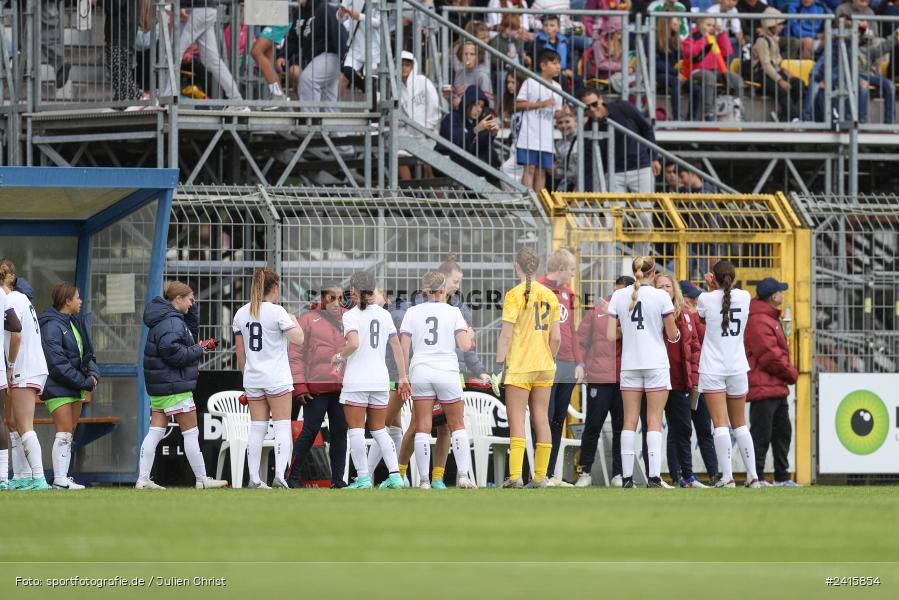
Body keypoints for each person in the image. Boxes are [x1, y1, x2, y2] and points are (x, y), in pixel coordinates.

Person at [138, 281, 225, 490]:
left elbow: (186, 336)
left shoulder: (167, 318)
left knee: (155, 432)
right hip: (174, 386)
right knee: (191, 433)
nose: (192, 303)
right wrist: (200, 349)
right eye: (189, 299)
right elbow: (174, 353)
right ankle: (202, 479)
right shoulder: (172, 322)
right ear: (177, 299)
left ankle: (143, 479)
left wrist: (192, 314)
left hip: (161, 386)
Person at [606, 257, 681, 488]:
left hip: (630, 363)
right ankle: (654, 477)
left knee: (629, 421)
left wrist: (628, 330)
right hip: (656, 363)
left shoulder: (618, 296)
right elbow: (672, 334)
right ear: (654, 271)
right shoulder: (661, 296)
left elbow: (610, 335)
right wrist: (674, 335)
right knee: (654, 420)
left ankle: (627, 478)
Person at [400, 272, 477, 490]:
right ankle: (462, 476)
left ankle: (424, 481)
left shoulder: (412, 312)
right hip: (447, 371)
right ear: (443, 290)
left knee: (422, 426)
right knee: (456, 424)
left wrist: (404, 375)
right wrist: (470, 334)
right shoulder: (453, 312)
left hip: (421, 370)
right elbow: (464, 345)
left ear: (425, 290)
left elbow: (404, 348)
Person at [493, 247, 561, 488]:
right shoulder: (550, 295)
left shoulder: (514, 294)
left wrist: (499, 365)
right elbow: (556, 339)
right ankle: (541, 476)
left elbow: (506, 336)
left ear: (516, 265)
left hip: (520, 366)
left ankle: (515, 476)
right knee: (542, 419)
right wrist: (549, 359)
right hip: (544, 366)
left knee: (517, 421)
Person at [337, 271, 410, 490]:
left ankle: (363, 478)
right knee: (379, 430)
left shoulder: (350, 315)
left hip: (357, 380)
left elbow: (353, 344)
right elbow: (397, 347)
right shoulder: (383, 314)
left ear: (353, 292)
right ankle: (396, 476)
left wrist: (339, 356)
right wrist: (403, 376)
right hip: (380, 380)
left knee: (357, 430)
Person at [233, 270, 304, 489]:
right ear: (275, 288)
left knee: (257, 428)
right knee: (282, 426)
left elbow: (240, 354)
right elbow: (299, 339)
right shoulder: (278, 312)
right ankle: (280, 476)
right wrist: (293, 320)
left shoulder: (241, 313)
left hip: (253, 379)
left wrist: (247, 378)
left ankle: (254, 478)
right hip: (276, 378)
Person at [696, 260, 763, 488]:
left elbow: (703, 318)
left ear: (713, 278)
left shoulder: (706, 298)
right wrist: (717, 286)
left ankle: (727, 477)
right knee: (740, 424)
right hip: (737, 367)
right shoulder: (744, 297)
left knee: (720, 424)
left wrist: (711, 288)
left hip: (713, 367)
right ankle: (753, 476)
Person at [286, 282, 349, 489]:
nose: (336, 302)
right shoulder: (306, 320)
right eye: (331, 298)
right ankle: (292, 477)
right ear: (322, 299)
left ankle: (338, 480)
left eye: (340, 298)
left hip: (342, 388)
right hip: (316, 388)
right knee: (310, 431)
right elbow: (295, 356)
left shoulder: (350, 318)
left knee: (340, 432)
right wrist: (300, 387)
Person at [38, 283, 100, 490]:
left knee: (68, 434)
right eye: (77, 297)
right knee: (64, 433)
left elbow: (86, 354)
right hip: (59, 387)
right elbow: (56, 364)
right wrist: (84, 381)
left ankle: (62, 478)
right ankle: (60, 479)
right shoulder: (51, 325)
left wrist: (93, 374)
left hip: (75, 387)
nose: (80, 301)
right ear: (67, 301)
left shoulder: (73, 322)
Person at [575, 275, 632, 487]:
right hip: (599, 379)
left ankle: (619, 474)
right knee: (592, 427)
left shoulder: (633, 311)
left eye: (621, 291)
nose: (616, 294)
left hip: (625, 378)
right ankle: (585, 472)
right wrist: (580, 364)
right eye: (615, 290)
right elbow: (580, 340)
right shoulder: (597, 311)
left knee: (621, 428)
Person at [745, 277, 800, 486]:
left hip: (774, 388)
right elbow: (769, 355)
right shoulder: (760, 319)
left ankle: (781, 476)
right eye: (780, 291)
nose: (783, 294)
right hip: (763, 387)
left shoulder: (767, 317)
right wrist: (791, 374)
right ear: (773, 296)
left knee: (782, 433)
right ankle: (757, 476)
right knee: (762, 435)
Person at [654, 274, 707, 488]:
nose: (665, 289)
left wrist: (693, 378)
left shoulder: (685, 314)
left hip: (678, 381)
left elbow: (694, 347)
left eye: (668, 286)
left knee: (682, 429)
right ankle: (656, 476)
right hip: (655, 379)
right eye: (661, 286)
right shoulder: (651, 313)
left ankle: (686, 476)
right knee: (653, 428)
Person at [537, 249, 584, 486]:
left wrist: (579, 362)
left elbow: (572, 332)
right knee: (543, 416)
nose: (574, 274)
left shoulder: (570, 295)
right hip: (545, 361)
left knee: (558, 419)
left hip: (566, 363)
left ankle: (550, 474)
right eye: (573, 270)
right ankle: (538, 472)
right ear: (562, 269)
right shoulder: (537, 288)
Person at [1, 262, 49, 490]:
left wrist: (10, 365)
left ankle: (38, 477)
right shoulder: (21, 299)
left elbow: (16, 334)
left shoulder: (11, 300)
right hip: (31, 365)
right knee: (11, 421)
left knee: (24, 424)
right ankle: (21, 476)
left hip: (24, 366)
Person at [159, 1, 245, 107]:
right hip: (205, 9)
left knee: (175, 52)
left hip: (196, 9)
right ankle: (237, 100)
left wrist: (178, 5)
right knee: (212, 61)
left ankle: (168, 98)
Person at [679, 279, 721, 484]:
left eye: (696, 298)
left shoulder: (698, 317)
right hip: (686, 379)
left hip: (700, 378)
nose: (695, 301)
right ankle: (681, 474)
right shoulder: (677, 317)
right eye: (691, 297)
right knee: (681, 431)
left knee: (704, 430)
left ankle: (714, 473)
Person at [587, 92, 662, 192]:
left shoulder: (622, 106)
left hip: (640, 167)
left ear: (601, 99)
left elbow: (646, 128)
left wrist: (654, 158)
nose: (591, 109)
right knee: (614, 208)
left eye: (594, 104)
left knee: (645, 207)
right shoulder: (588, 125)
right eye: (586, 107)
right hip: (613, 172)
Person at [282, 0, 347, 111]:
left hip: (329, 55)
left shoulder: (324, 8)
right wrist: (282, 55)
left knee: (308, 80)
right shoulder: (299, 12)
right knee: (328, 95)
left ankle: (310, 124)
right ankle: (332, 127)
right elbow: (293, 39)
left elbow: (339, 32)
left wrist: (343, 58)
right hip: (316, 58)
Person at [516, 49, 565, 193]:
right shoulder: (531, 82)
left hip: (545, 136)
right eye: (554, 63)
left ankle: (539, 204)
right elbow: (518, 104)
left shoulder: (558, 87)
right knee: (530, 168)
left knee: (541, 171)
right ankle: (527, 201)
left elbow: (556, 113)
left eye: (559, 64)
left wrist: (564, 113)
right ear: (543, 65)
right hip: (529, 133)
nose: (558, 67)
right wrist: (541, 104)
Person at [683, 17, 743, 121]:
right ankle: (709, 112)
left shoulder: (715, 38)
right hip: (696, 70)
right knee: (709, 77)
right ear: (700, 25)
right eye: (708, 25)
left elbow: (728, 52)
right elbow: (689, 53)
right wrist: (705, 40)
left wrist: (722, 35)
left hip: (715, 70)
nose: (711, 28)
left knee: (736, 79)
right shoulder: (692, 37)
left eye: (713, 26)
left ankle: (737, 109)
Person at [753, 8, 804, 122]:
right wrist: (780, 80)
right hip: (764, 75)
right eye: (779, 24)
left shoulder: (773, 40)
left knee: (798, 84)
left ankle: (783, 116)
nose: (782, 27)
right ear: (771, 25)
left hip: (775, 72)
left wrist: (785, 72)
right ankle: (794, 118)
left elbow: (777, 61)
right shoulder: (762, 41)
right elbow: (766, 65)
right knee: (783, 90)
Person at [438, 85, 500, 179]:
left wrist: (492, 134)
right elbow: (457, 144)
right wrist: (475, 130)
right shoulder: (451, 118)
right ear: (467, 103)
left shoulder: (474, 121)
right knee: (480, 164)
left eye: (481, 106)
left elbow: (479, 145)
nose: (479, 109)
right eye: (475, 104)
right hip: (447, 159)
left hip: (466, 161)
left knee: (491, 155)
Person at [399, 51, 440, 181]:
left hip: (426, 133)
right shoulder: (395, 88)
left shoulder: (423, 81)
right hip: (407, 134)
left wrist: (428, 128)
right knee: (399, 156)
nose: (404, 68)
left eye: (407, 65)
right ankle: (410, 195)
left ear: (413, 66)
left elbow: (434, 105)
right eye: (401, 65)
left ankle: (439, 199)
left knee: (429, 166)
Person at [0, 262, 23, 490]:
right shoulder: (3, 297)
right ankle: (3, 478)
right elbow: (15, 326)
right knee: (1, 420)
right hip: (0, 364)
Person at [656, 16, 703, 121]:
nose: (679, 23)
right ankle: (677, 118)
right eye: (676, 20)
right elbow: (656, 63)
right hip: (659, 73)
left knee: (696, 89)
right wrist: (677, 73)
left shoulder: (676, 39)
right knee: (676, 82)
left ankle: (691, 118)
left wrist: (684, 72)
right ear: (667, 21)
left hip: (674, 73)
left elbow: (681, 60)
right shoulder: (655, 38)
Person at [338, 0, 381, 99]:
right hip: (355, 45)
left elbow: (378, 22)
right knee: (347, 72)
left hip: (373, 48)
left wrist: (359, 16)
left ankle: (373, 101)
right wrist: (340, 14)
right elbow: (340, 16)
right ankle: (367, 88)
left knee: (372, 81)